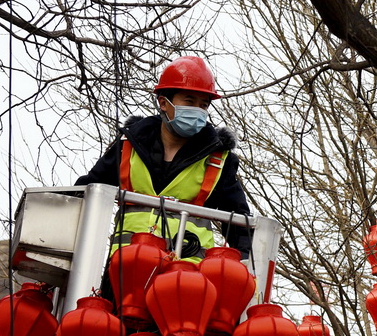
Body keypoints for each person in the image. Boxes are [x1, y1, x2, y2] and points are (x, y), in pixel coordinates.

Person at [76, 55, 251, 259]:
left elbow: (240, 225)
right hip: (124, 270)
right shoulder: (128, 146)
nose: (197, 110)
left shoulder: (219, 159)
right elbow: (85, 192)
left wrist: (247, 266)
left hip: (188, 274)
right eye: (189, 101)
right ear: (163, 103)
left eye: (203, 105)